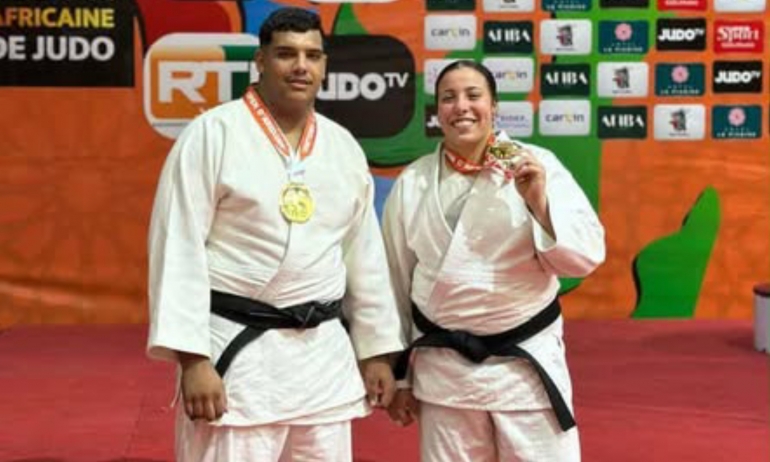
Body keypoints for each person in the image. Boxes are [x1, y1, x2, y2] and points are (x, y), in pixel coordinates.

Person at [146, 7, 403, 462]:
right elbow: (178, 247)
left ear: (324, 65)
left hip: (322, 364)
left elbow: (363, 256)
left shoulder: (342, 146)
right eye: (286, 54)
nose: (301, 66)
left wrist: (375, 349)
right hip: (237, 360)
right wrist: (193, 358)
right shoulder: (213, 134)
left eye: (312, 55)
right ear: (261, 61)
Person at [382, 60, 605, 461]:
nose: (461, 107)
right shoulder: (414, 181)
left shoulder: (534, 165)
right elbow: (394, 281)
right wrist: (400, 376)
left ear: (494, 107)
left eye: (473, 96)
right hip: (445, 374)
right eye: (448, 98)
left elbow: (584, 258)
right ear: (437, 112)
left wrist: (538, 202)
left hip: (524, 368)